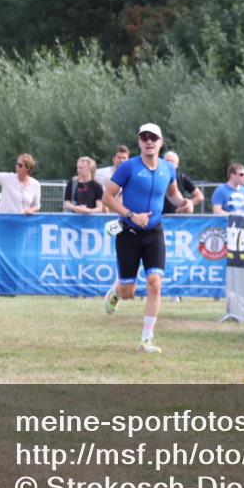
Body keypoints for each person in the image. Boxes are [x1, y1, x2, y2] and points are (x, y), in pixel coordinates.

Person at [100, 123, 194, 352]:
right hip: (128, 233)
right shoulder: (128, 168)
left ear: (161, 142)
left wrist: (184, 204)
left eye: (154, 138)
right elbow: (107, 198)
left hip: (154, 233)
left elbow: (173, 194)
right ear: (139, 142)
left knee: (155, 283)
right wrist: (131, 214)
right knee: (128, 292)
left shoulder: (168, 169)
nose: (149, 141)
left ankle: (146, 339)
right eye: (144, 137)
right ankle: (116, 292)